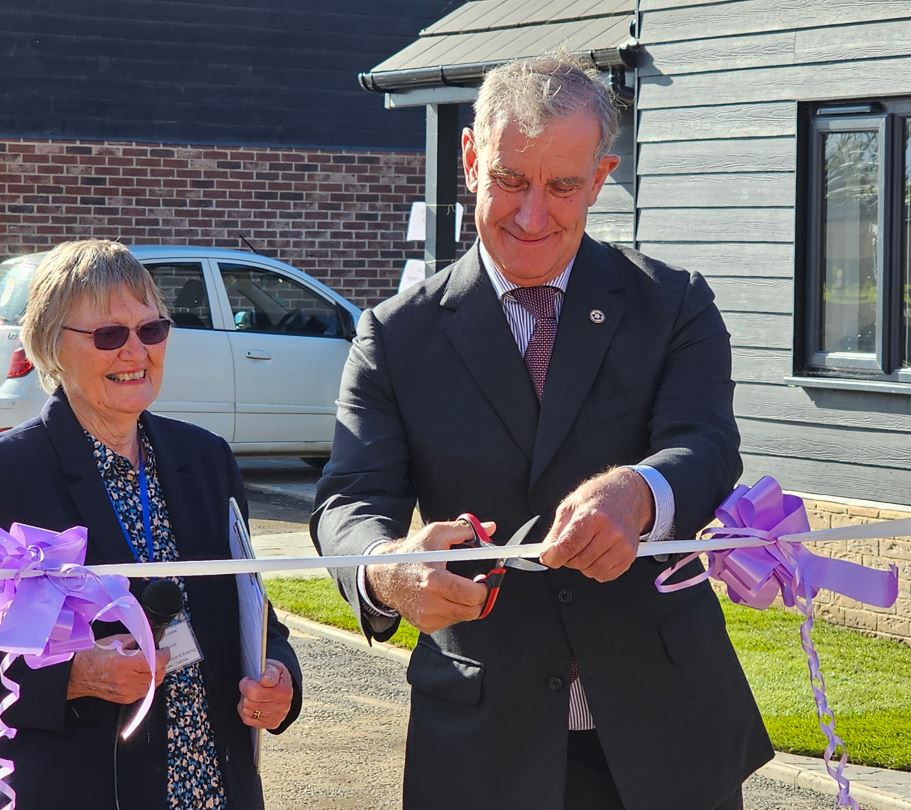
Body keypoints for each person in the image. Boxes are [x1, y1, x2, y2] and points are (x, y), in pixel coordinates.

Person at [312, 53, 771, 810]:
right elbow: (348, 501)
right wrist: (387, 568)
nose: (531, 216)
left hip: (666, 736)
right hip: (483, 745)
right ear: (469, 158)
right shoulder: (395, 336)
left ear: (601, 176)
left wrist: (638, 493)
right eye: (509, 181)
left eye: (561, 187)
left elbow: (705, 445)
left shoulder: (674, 305)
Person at [0, 240, 303, 809]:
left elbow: (257, 616)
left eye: (152, 330)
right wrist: (76, 676)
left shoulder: (207, 459)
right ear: (51, 347)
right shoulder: (13, 475)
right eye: (109, 335)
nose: (135, 351)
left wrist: (279, 677)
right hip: (84, 789)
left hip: (214, 787)